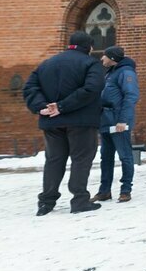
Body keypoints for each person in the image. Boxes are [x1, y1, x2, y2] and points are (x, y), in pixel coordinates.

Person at [23, 31, 105, 215]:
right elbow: (92, 88)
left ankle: (46, 202)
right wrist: (62, 106)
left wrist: (41, 107)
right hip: (81, 121)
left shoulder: (46, 63)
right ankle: (79, 201)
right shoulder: (91, 63)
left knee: (53, 160)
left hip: (51, 122)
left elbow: (30, 87)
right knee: (81, 159)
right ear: (89, 47)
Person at [91, 46, 140, 204]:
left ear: (112, 57)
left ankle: (126, 190)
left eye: (104, 56)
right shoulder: (111, 72)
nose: (101, 58)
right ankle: (104, 191)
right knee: (106, 157)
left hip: (118, 122)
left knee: (125, 156)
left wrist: (123, 120)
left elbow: (131, 96)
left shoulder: (126, 72)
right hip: (106, 121)